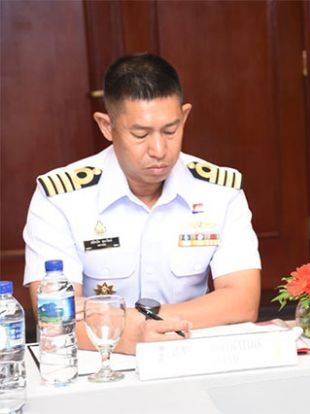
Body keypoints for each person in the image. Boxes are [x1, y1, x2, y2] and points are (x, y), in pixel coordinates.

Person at [23, 53, 261, 354]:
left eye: (171, 130)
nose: (159, 150)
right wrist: (132, 337)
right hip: (100, 364)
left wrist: (142, 323)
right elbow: (56, 317)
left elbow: (243, 300)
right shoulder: (60, 198)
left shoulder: (220, 191)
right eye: (140, 134)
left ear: (185, 117)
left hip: (188, 353)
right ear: (107, 126)